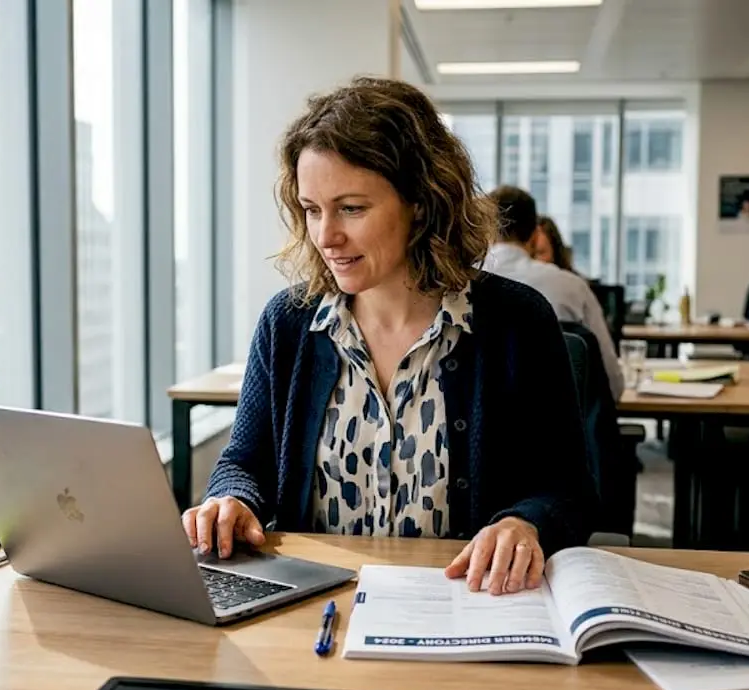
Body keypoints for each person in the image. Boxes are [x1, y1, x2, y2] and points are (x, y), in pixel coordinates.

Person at [182, 77, 595, 595]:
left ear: (420, 202)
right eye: (312, 209)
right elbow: (245, 462)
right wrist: (232, 499)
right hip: (311, 610)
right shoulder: (288, 322)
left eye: (351, 208)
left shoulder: (517, 320)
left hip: (464, 605)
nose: (326, 236)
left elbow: (568, 490)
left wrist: (523, 523)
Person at [484, 186, 625, 401]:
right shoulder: (573, 287)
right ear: (534, 233)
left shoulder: (455, 288)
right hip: (561, 428)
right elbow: (612, 383)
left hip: (480, 429)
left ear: (485, 229)